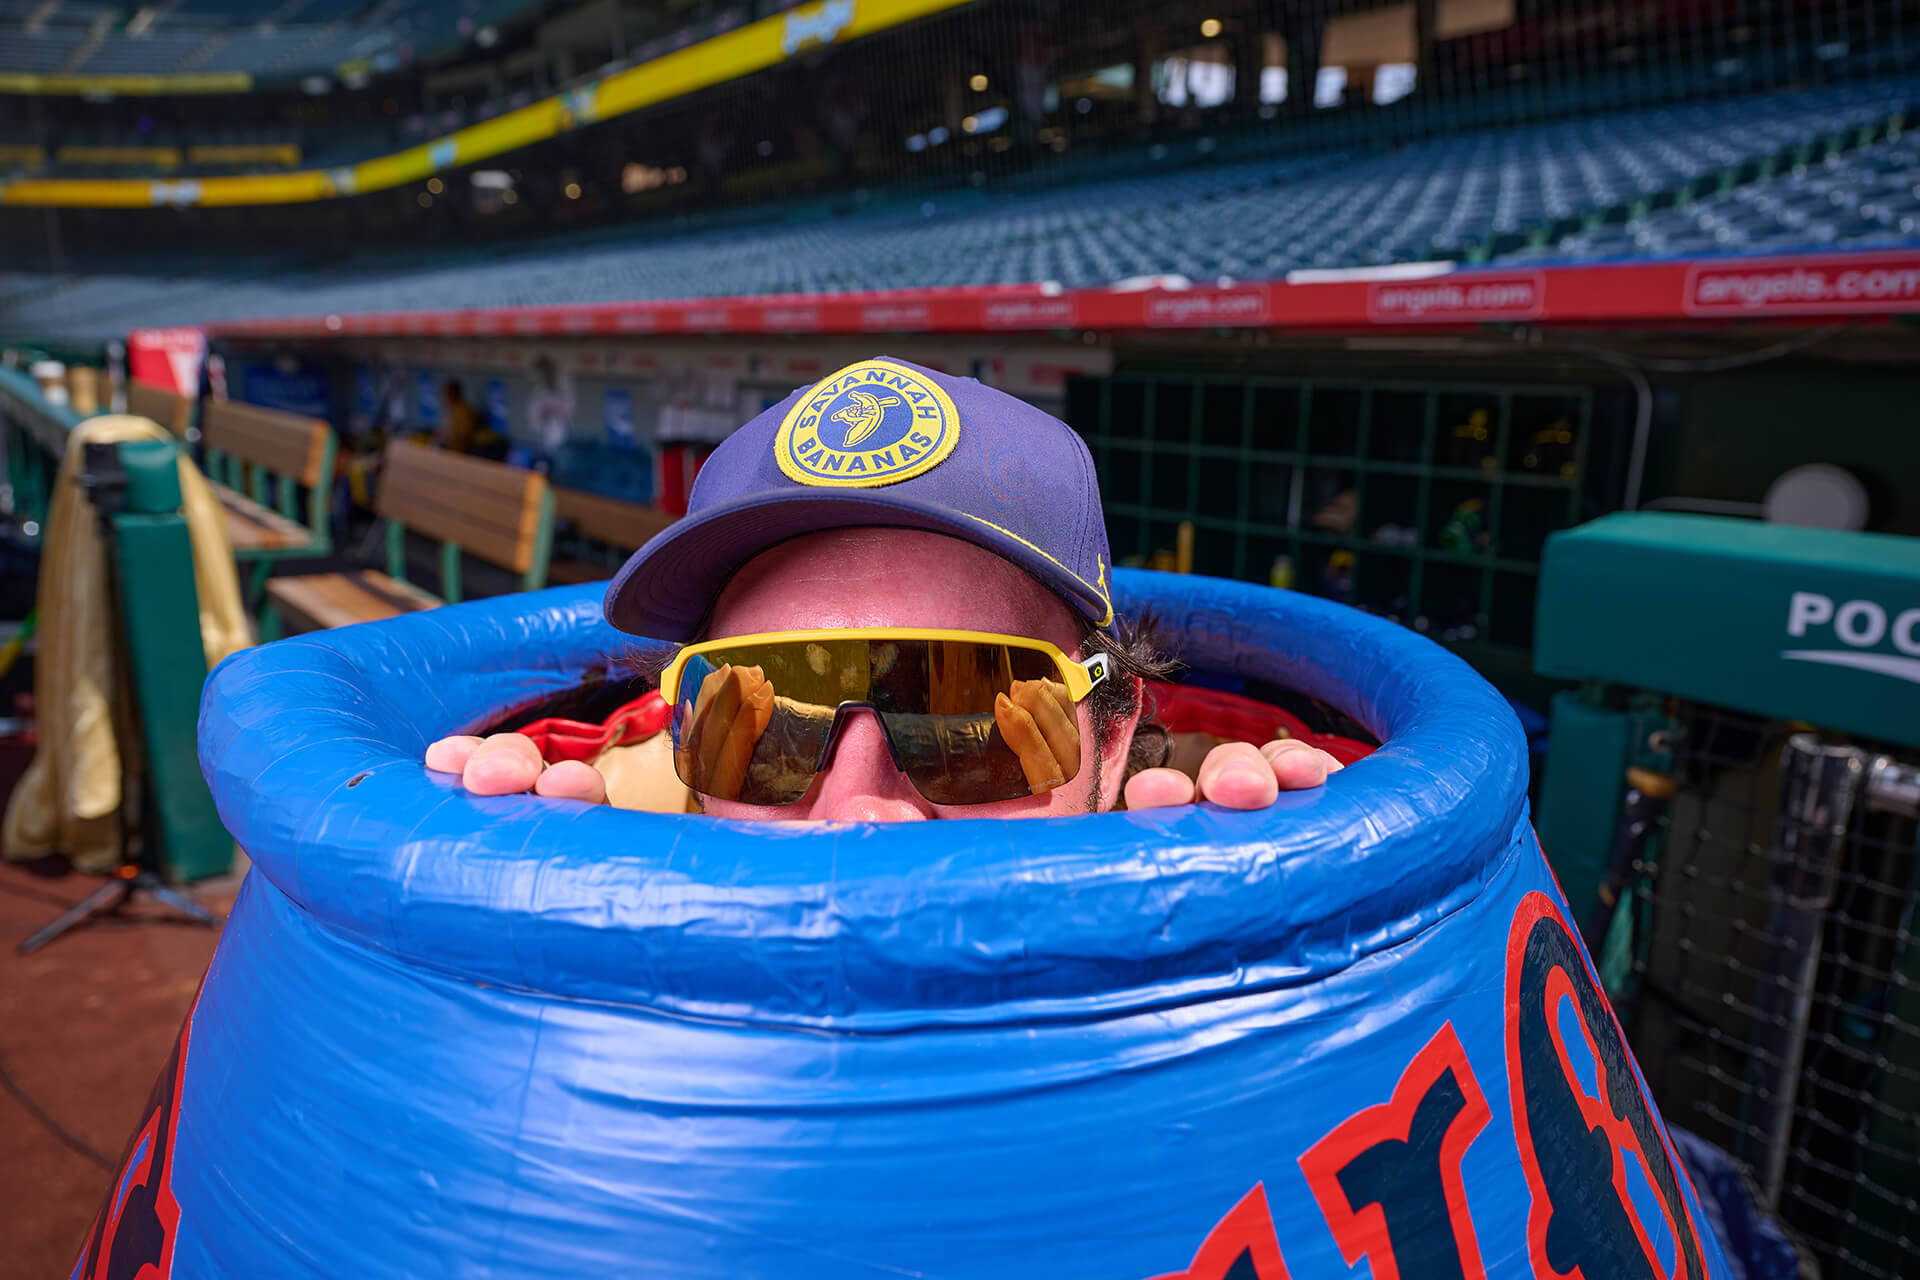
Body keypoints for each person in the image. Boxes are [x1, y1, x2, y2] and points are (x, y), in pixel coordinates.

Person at [426, 357, 1342, 819]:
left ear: (1113, 734)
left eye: (968, 722)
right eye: (764, 729)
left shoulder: (1221, 855)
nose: (858, 813)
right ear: (682, 747)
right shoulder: (597, 835)